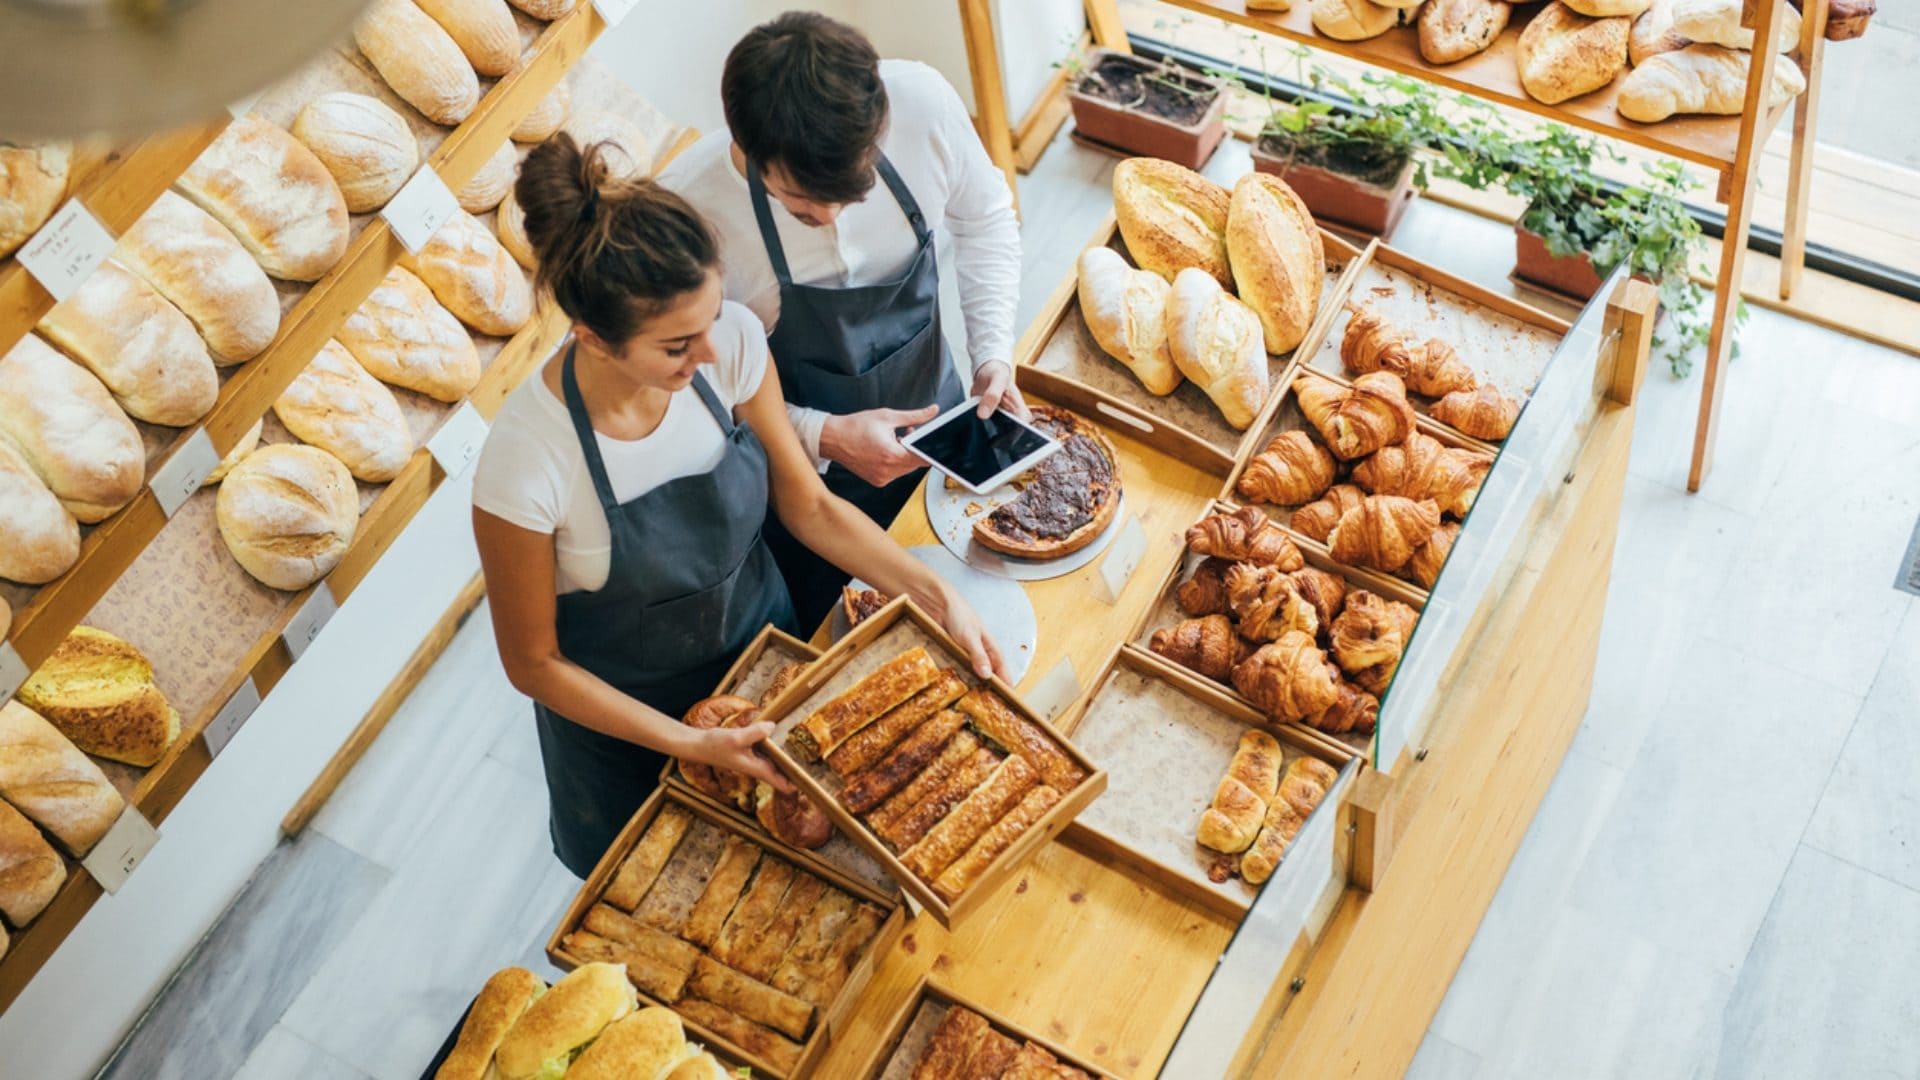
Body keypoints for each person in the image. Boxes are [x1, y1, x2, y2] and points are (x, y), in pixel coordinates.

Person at [471, 133, 1004, 878]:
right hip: (631, 743)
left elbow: (810, 508)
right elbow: (534, 663)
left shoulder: (734, 345)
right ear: (591, 337)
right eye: (677, 346)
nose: (711, 355)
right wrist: (688, 744)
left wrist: (936, 595)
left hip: (768, 674)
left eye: (713, 319)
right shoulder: (526, 463)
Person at [660, 11, 1025, 629]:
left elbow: (985, 218)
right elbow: (692, 398)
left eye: (848, 194)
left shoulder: (922, 105)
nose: (829, 216)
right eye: (803, 201)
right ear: (747, 148)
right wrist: (823, 435)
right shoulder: (689, 217)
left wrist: (992, 350)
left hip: (943, 438)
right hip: (805, 494)